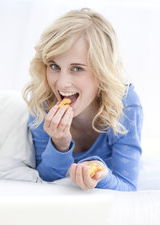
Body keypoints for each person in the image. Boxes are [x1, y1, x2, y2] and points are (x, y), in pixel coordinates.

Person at [23, 8, 143, 191]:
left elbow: (128, 186)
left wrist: (100, 175)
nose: (62, 84)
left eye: (77, 69)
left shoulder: (125, 105)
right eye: (54, 66)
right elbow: (45, 178)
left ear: (102, 72)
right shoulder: (42, 105)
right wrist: (59, 144)